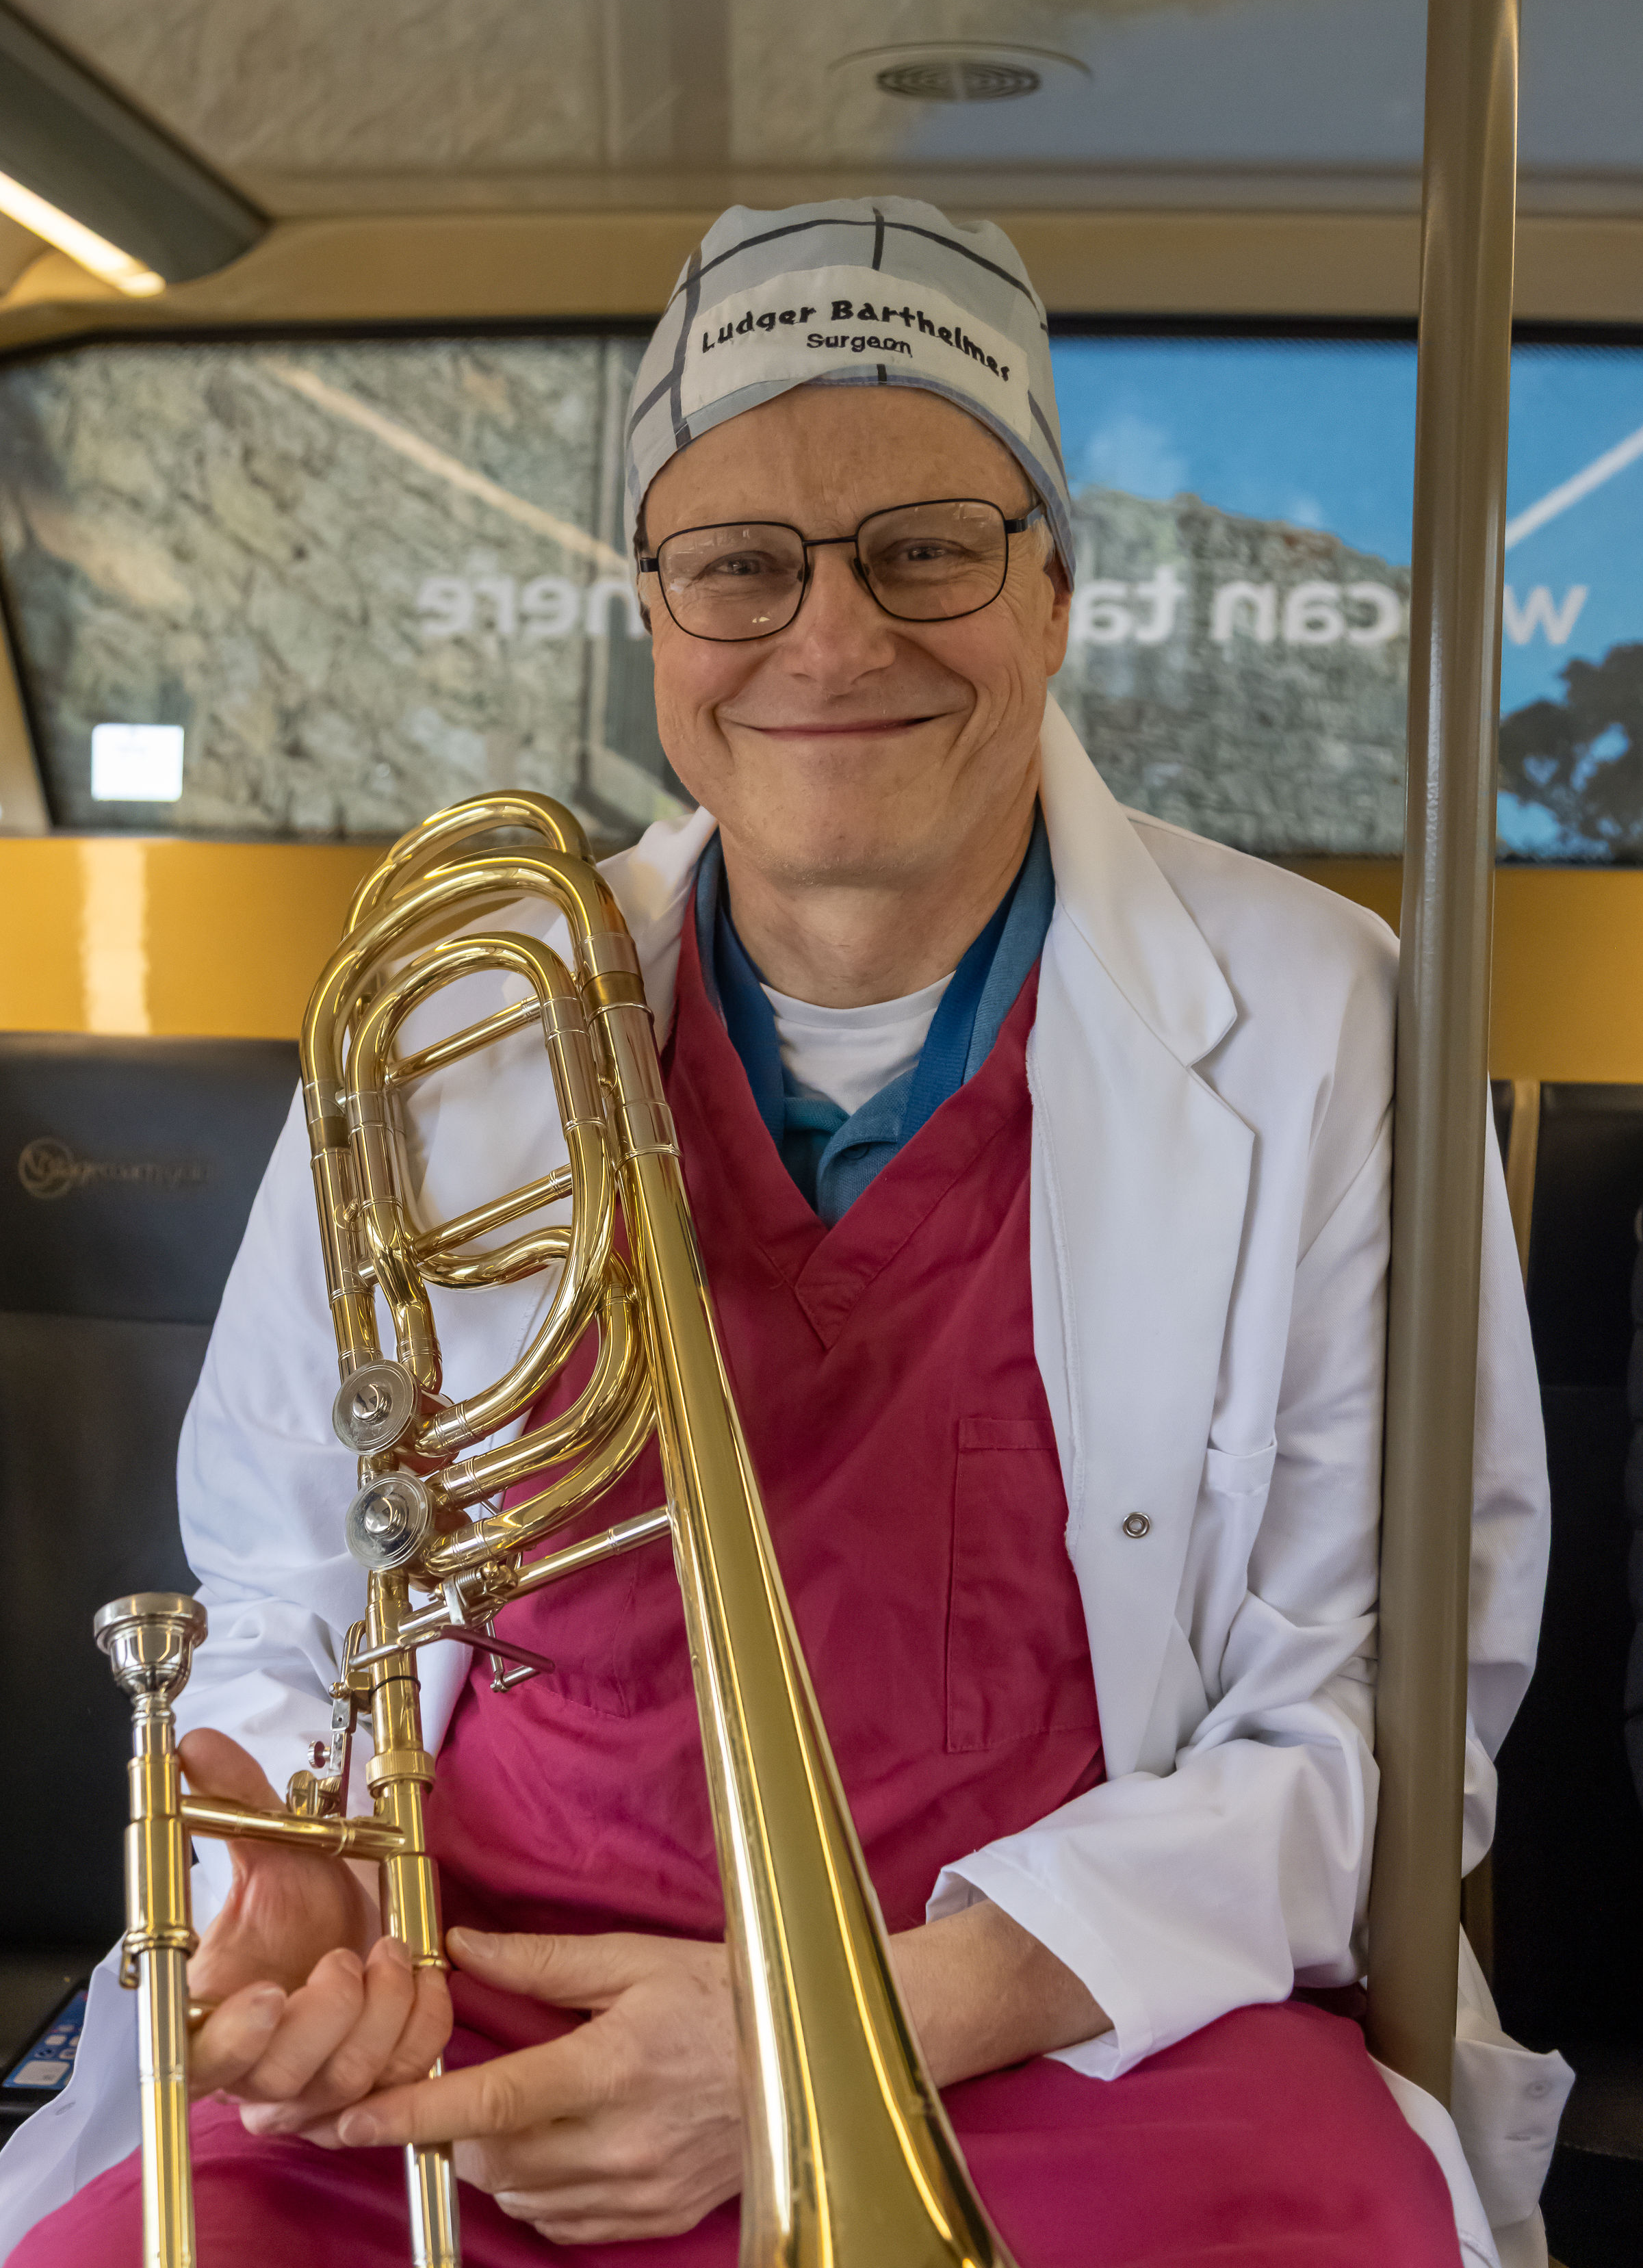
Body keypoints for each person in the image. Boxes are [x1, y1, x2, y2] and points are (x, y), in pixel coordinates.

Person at [2, 198, 1560, 2268]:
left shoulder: (1315, 1019)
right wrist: (290, 1873)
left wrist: (826, 2042)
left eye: (926, 545)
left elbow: (1358, 1728)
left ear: (1057, 594)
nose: (831, 639)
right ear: (654, 612)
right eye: (740, 565)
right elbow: (290, 1594)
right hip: (490, 2015)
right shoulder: (448, 1017)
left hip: (1051, 2020)